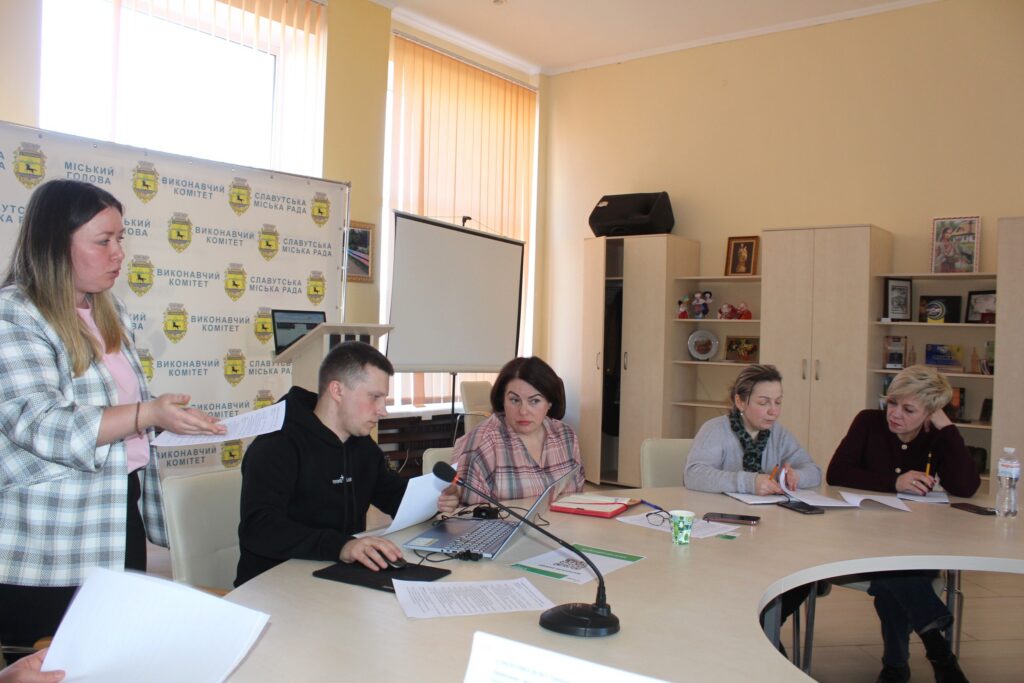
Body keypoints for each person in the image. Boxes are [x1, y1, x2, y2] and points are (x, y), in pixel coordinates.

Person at [0, 180, 225, 654]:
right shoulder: (14, 313)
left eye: (120, 238)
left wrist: (164, 416)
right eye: (103, 241)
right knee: (52, 658)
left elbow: (116, 406)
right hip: (50, 532)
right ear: (54, 245)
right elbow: (40, 423)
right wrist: (147, 413)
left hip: (118, 508)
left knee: (111, 651)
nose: (119, 253)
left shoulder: (109, 311)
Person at [235, 341, 459, 586]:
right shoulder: (276, 444)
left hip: (338, 576)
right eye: (374, 397)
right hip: (273, 585)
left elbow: (394, 496)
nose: (383, 410)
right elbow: (259, 529)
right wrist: (342, 546)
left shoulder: (361, 445)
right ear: (337, 390)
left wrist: (434, 500)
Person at [827, 365, 977, 683]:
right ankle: (939, 654)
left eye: (909, 410)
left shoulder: (937, 436)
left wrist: (947, 428)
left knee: (893, 579)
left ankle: (897, 667)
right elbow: (836, 472)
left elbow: (965, 487)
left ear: (930, 413)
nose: (894, 414)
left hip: (917, 546)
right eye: (892, 402)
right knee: (895, 572)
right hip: (860, 544)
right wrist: (894, 482)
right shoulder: (868, 422)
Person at [452, 357, 585, 505]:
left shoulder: (566, 436)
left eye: (534, 401)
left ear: (549, 403)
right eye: (514, 400)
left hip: (562, 521)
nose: (523, 411)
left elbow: (577, 499)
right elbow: (468, 513)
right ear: (502, 400)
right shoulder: (482, 443)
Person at [685, 364, 821, 495]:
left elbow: (814, 472)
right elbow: (693, 475)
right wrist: (749, 483)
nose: (774, 411)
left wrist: (796, 476)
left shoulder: (779, 434)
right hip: (719, 509)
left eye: (778, 402)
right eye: (763, 403)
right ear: (740, 402)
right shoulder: (715, 430)